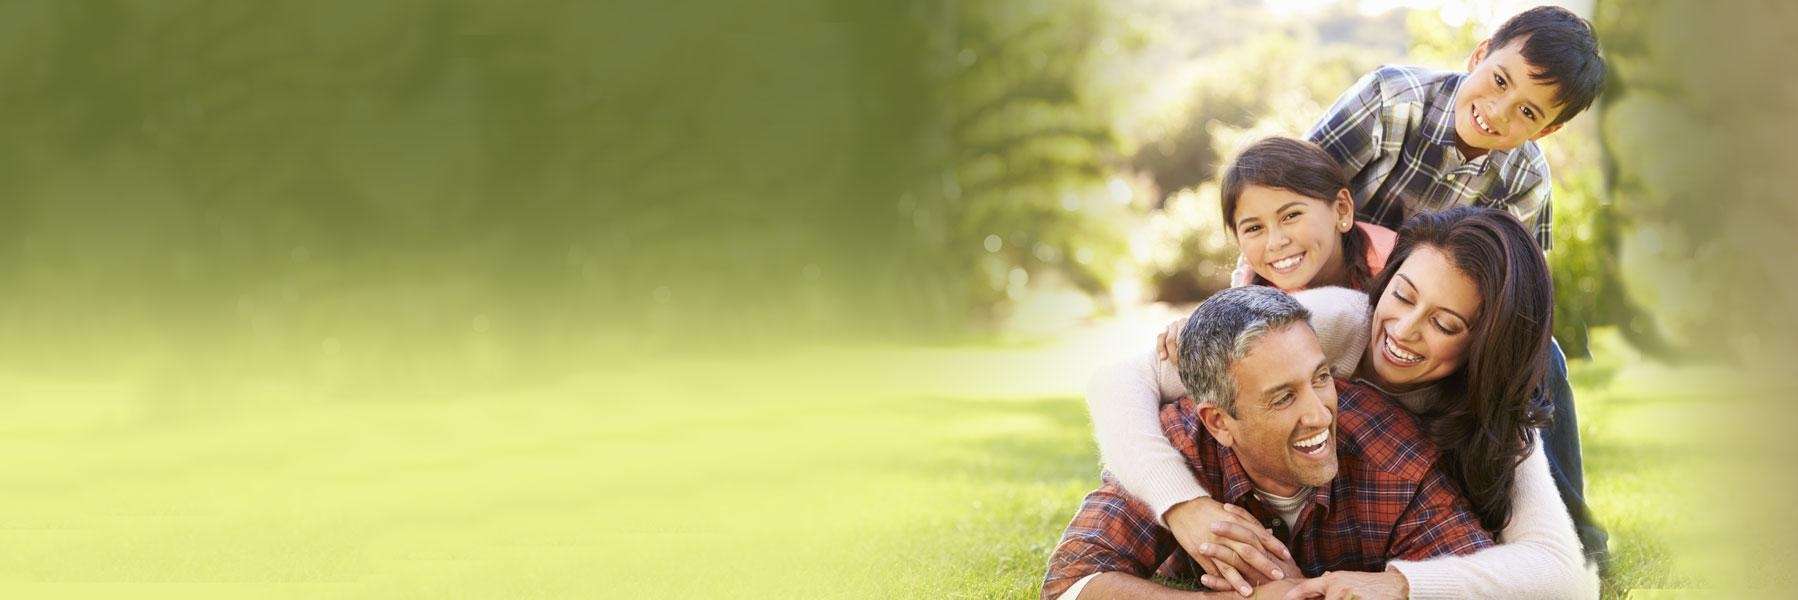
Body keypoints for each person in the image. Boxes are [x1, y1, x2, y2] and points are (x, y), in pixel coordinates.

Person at [1089, 208, 1598, 599]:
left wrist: (1398, 584)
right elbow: (1119, 379)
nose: (1402, 330)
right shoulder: (1331, 321)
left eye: (1444, 324)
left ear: (1483, 344)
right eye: (1402, 295)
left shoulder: (1495, 414)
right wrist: (1184, 504)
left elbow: (1560, 571)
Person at [1307, 4, 1610, 561]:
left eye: (1526, 112)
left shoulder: (1525, 180)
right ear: (1478, 55)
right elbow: (1290, 200)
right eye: (1498, 80)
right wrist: (1246, 298)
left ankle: (1566, 532)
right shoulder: (1391, 100)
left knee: (1543, 356)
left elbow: (1521, 300)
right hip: (1337, 292)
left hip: (1439, 326)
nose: (1496, 112)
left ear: (1549, 128)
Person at [1043, 286, 1494, 600]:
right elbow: (1072, 584)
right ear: (1219, 422)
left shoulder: (1396, 459)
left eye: (1321, 378)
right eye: (1283, 397)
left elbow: (1478, 577)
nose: (1320, 415)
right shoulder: (1174, 447)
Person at [1219, 137, 1397, 293]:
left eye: (1291, 216)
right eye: (1254, 228)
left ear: (1342, 209)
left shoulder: (1398, 268)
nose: (1275, 243)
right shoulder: (1251, 295)